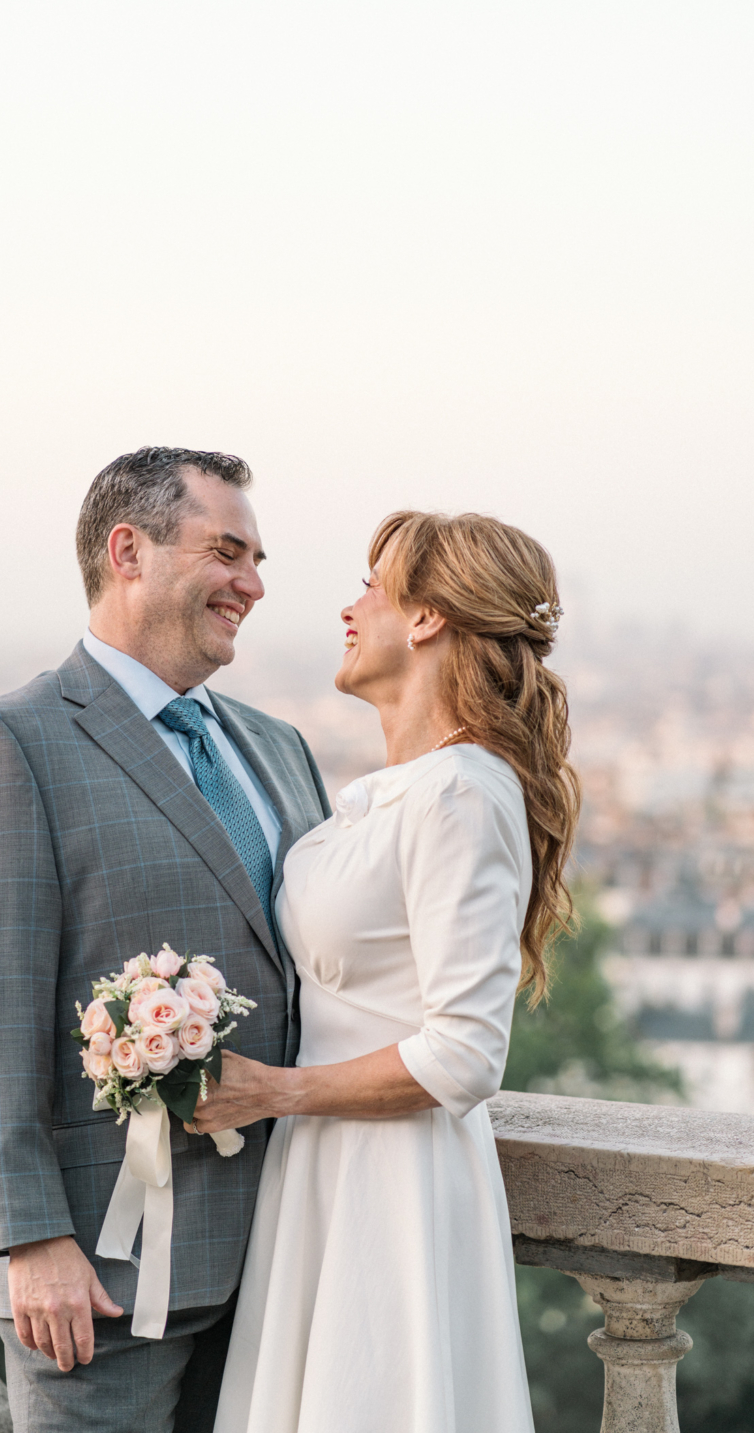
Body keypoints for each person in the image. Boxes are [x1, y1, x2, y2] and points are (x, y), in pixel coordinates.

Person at [0, 447, 331, 1433]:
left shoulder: (278, 747)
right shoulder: (13, 740)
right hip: (103, 1282)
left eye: (260, 559)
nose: (253, 584)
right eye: (227, 551)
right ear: (127, 550)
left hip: (286, 1261)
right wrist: (29, 1240)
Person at [193, 509, 581, 1433]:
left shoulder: (459, 793)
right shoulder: (404, 787)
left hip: (390, 1185)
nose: (349, 606)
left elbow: (463, 1054)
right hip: (329, 1166)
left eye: (373, 585)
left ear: (428, 618)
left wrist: (273, 1091)